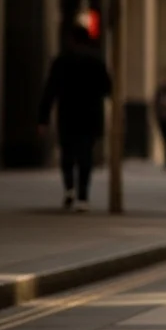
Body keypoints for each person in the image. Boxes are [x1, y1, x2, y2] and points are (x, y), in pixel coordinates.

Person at [38, 25, 112, 212]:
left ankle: (69, 188)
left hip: (68, 114)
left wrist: (43, 118)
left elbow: (50, 90)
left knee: (68, 153)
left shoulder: (62, 61)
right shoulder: (96, 61)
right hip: (90, 115)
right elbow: (107, 88)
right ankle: (83, 196)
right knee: (85, 155)